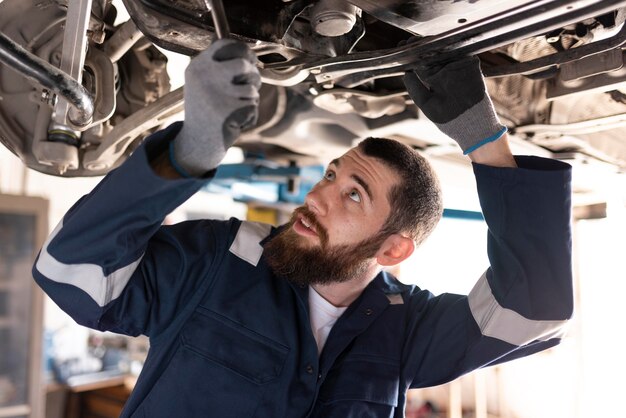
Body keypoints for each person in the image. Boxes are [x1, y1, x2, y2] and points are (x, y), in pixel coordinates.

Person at [32, 39, 573, 417]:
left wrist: (484, 139)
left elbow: (533, 311)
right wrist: (192, 149)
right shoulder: (222, 261)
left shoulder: (406, 331)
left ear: (392, 249)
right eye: (331, 174)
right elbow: (70, 273)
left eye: (352, 195)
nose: (317, 194)